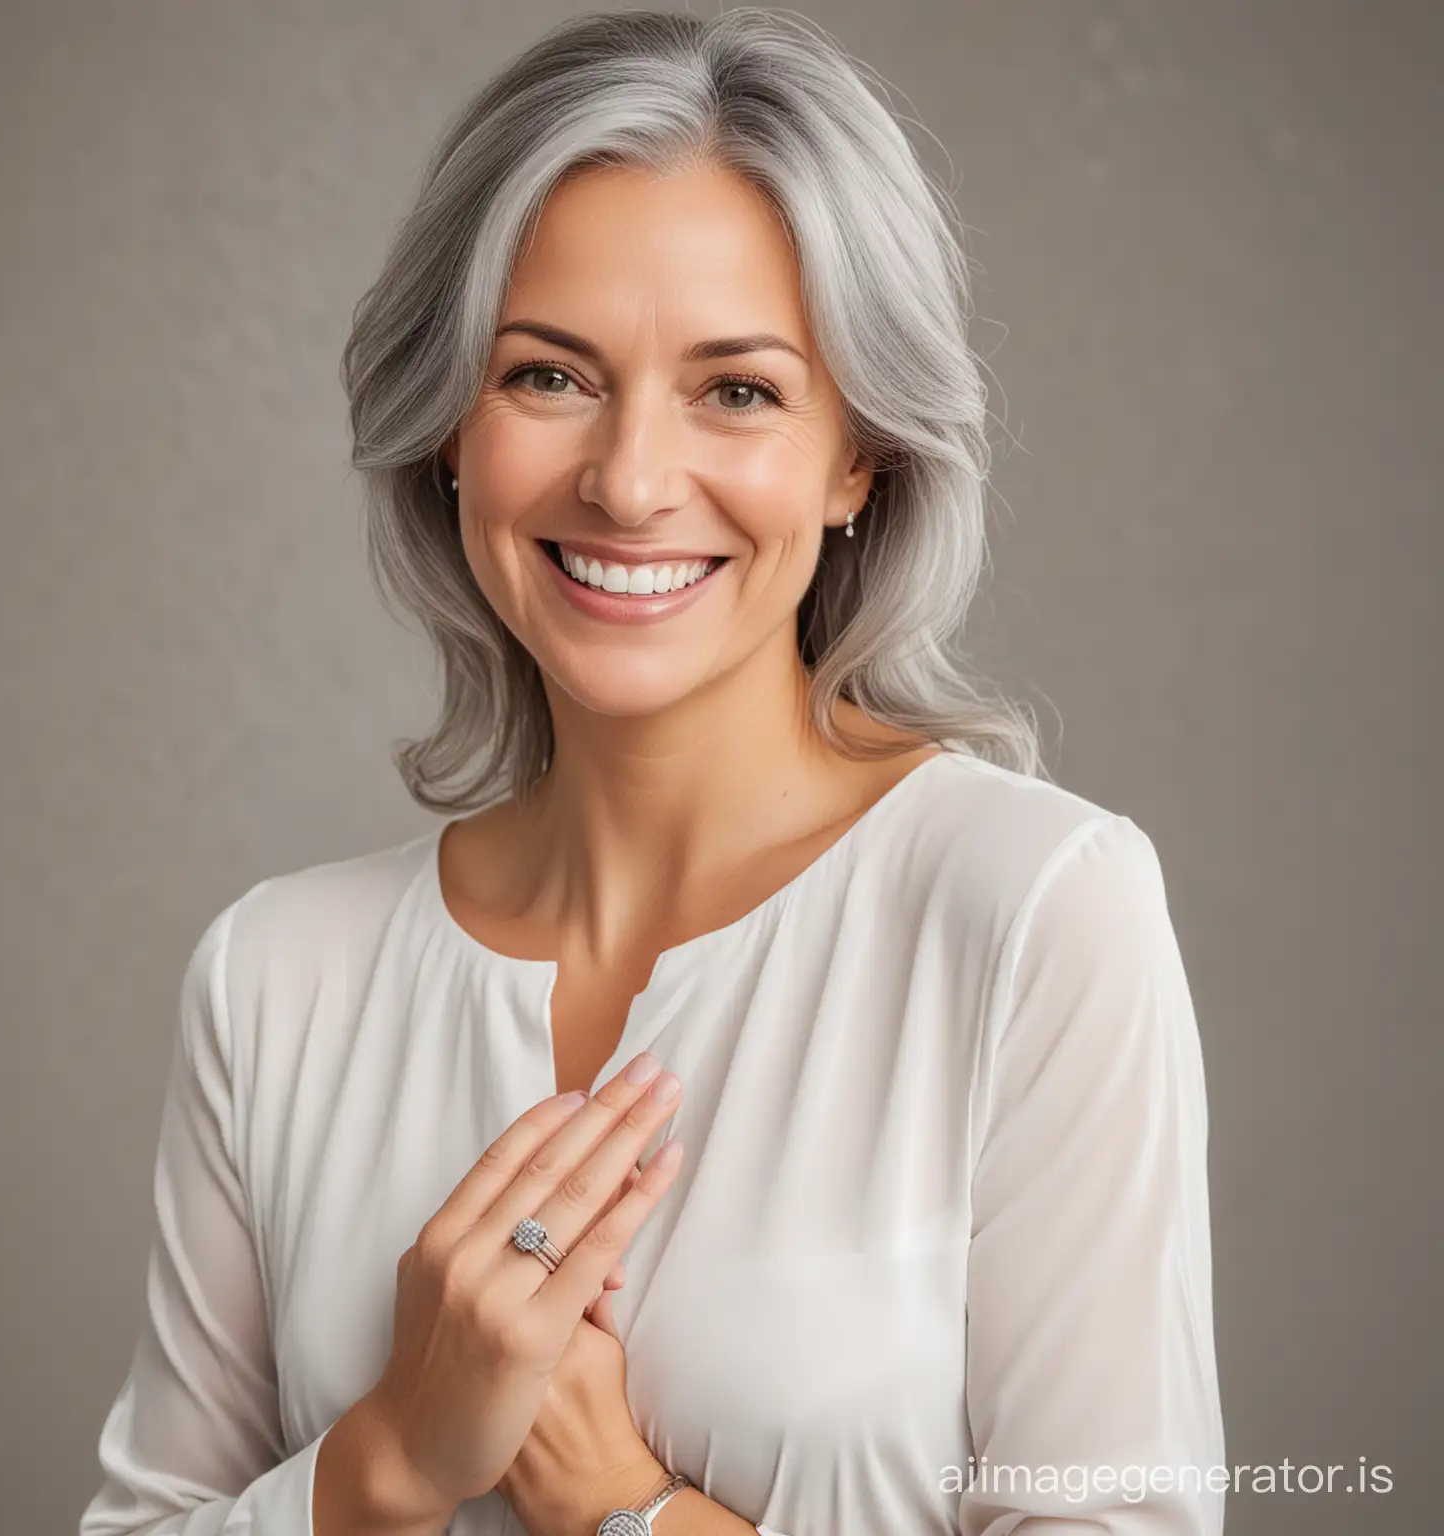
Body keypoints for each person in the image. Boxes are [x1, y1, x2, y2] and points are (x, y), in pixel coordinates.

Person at [80, 10, 1225, 1535]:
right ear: (450, 430)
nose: (625, 481)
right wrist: (390, 1460)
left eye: (737, 390)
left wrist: (622, 1506)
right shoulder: (275, 980)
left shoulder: (1033, 918)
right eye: (549, 376)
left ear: (856, 457)